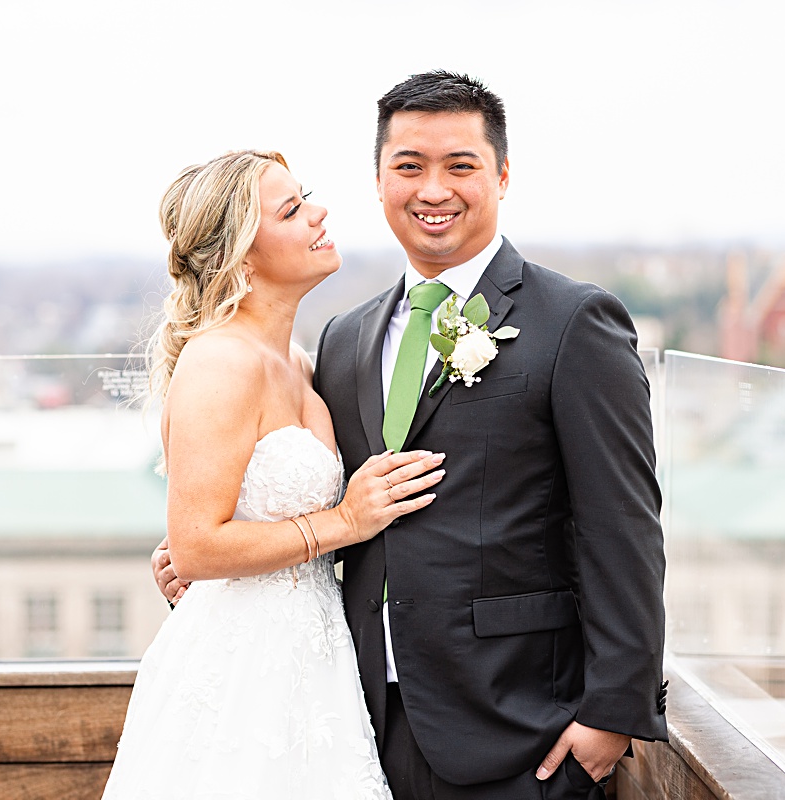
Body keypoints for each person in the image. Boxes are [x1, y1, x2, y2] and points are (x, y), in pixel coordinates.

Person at [156, 71, 668, 800]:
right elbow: (284, 494)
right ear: (379, 181)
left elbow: (623, 525)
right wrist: (203, 550)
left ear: (502, 175)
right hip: (353, 714)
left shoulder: (574, 323)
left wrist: (614, 711)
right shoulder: (343, 340)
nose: (434, 190)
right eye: (409, 167)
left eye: (460, 166)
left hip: (519, 723)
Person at [105, 149, 445, 799]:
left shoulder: (298, 361)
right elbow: (197, 546)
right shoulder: (220, 364)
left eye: (306, 197)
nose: (319, 213)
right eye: (291, 210)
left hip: (316, 664)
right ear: (241, 255)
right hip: (241, 679)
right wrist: (344, 520)